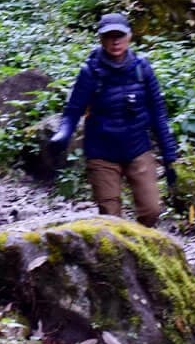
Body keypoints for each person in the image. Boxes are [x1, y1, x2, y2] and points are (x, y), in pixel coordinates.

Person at [49, 12, 179, 227]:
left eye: (120, 35)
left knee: (152, 210)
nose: (115, 41)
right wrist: (62, 135)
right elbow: (73, 110)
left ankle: (140, 249)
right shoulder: (90, 72)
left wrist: (169, 157)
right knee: (110, 217)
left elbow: (158, 114)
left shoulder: (142, 69)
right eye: (109, 36)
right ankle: (119, 257)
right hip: (102, 153)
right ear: (101, 39)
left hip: (137, 148)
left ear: (129, 36)